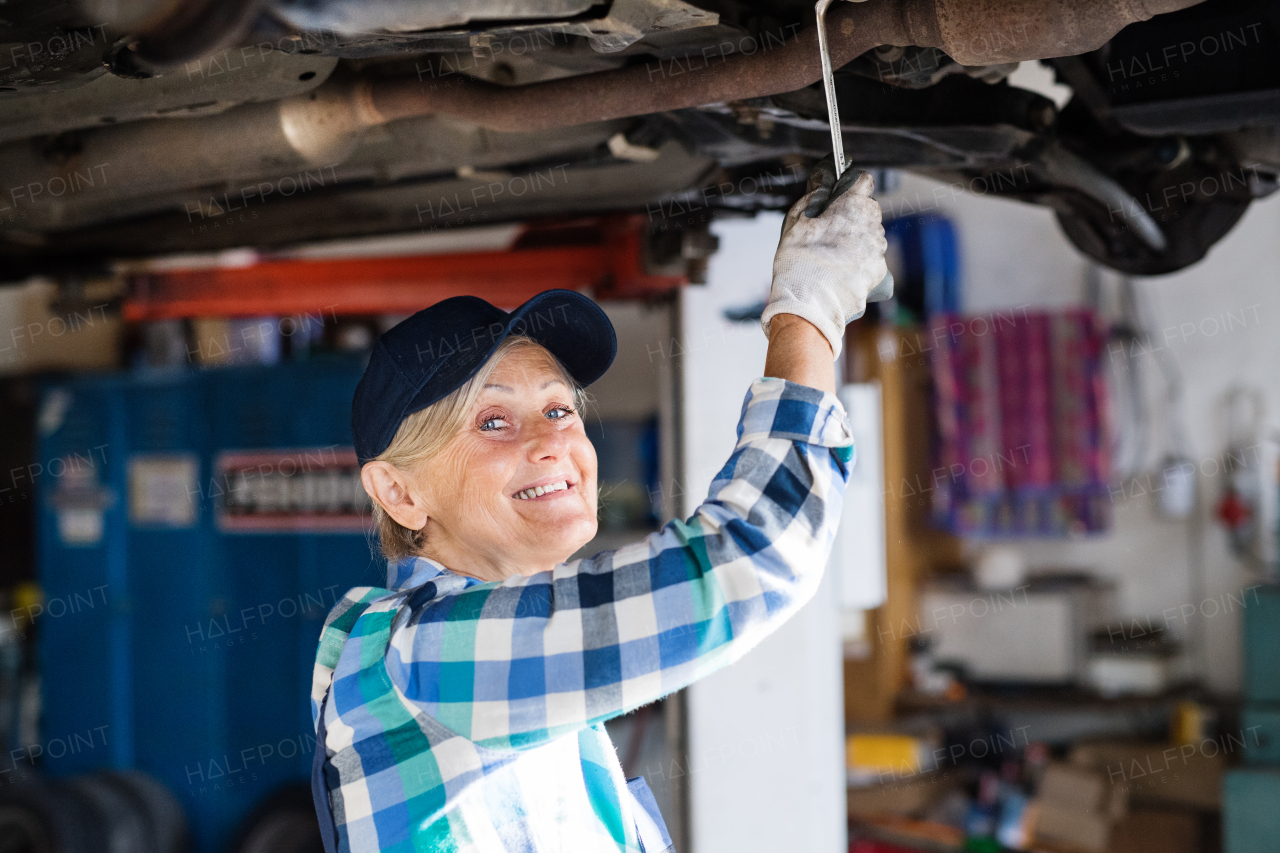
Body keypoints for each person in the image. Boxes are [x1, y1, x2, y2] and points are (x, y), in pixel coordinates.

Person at [310, 160, 889, 852]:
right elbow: (752, 557)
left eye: (559, 407)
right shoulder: (418, 657)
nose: (555, 440)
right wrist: (810, 311)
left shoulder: (506, 673)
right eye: (493, 421)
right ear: (399, 493)